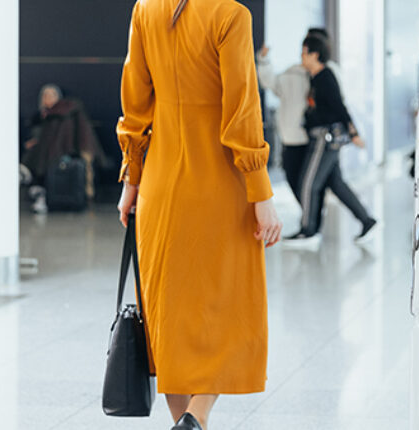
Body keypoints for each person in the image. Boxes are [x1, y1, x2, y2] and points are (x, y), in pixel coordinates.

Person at [114, 1, 283, 429]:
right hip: (218, 185)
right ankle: (197, 415)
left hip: (159, 185)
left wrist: (132, 180)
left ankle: (188, 424)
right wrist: (260, 192)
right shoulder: (230, 15)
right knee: (225, 309)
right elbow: (242, 109)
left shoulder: (145, 9)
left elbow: (134, 104)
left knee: (170, 320)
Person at [257, 31, 377, 245]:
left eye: (304, 53)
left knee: (309, 182)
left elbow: (339, 107)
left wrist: (354, 133)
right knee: (336, 184)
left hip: (325, 138)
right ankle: (367, 221)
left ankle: (308, 231)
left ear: (314, 55)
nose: (301, 57)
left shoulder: (325, 76)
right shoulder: (313, 76)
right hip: (320, 137)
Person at [21, 84, 104, 213]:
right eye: (45, 96)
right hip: (43, 152)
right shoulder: (40, 117)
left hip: (58, 153)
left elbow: (59, 139)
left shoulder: (62, 115)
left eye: (51, 95)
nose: (47, 99)